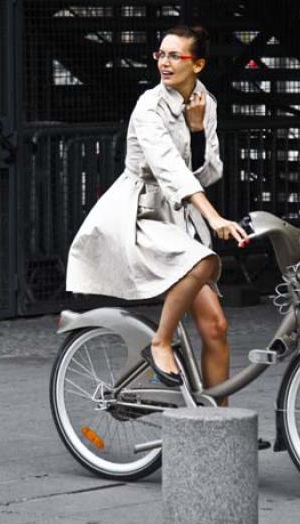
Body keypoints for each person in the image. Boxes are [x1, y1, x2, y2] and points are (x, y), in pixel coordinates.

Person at [66, 25, 246, 405]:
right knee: (203, 262)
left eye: (174, 56)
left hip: (181, 218)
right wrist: (214, 219)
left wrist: (197, 131)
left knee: (216, 327)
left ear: (197, 64)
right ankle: (160, 342)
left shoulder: (204, 102)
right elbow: (169, 171)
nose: (164, 63)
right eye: (160, 54)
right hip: (143, 216)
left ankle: (217, 422)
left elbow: (210, 170)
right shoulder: (148, 106)